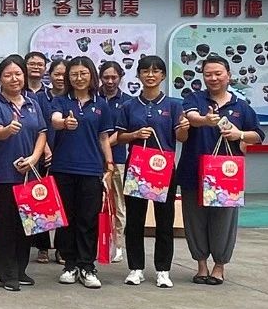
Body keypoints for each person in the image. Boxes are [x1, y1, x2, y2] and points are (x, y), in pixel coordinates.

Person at [180, 55, 264, 285]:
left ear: (228, 75)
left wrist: (240, 134)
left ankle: (219, 266)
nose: (213, 78)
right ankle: (201, 265)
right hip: (193, 171)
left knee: (224, 222)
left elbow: (258, 135)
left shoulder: (241, 106)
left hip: (226, 175)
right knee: (195, 221)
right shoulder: (194, 99)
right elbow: (191, 117)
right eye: (208, 74)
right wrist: (205, 120)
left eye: (218, 73)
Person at [114, 55, 187, 288]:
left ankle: (163, 270)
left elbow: (181, 137)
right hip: (137, 168)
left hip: (164, 169)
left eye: (155, 71)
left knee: (164, 220)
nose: (150, 75)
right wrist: (135, 135)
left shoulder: (173, 105)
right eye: (145, 71)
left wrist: (184, 127)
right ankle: (136, 268)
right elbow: (119, 137)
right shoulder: (129, 105)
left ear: (163, 75)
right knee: (135, 220)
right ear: (138, 75)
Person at [49, 57, 116, 289]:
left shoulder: (101, 104)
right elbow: (55, 121)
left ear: (91, 76)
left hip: (91, 169)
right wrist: (64, 123)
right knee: (67, 219)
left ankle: (87, 265)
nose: (79, 78)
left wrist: (109, 164)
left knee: (88, 219)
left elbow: (104, 137)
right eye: (74, 74)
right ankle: (69, 264)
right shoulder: (60, 101)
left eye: (83, 73)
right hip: (63, 168)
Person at [0, 55, 49, 291]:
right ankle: (7, 273)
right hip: (4, 173)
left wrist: (34, 158)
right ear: (0, 79)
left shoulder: (33, 102)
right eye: (8, 75)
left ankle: (21, 269)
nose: (14, 79)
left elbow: (42, 133)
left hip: (30, 173)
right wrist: (8, 129)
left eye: (18, 74)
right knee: (6, 224)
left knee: (27, 223)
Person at [36, 57, 70, 263]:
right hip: (43, 155)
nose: (60, 78)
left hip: (65, 157)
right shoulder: (41, 98)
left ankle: (61, 247)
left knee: (64, 203)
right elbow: (39, 126)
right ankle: (42, 246)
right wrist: (46, 150)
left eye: (64, 75)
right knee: (42, 201)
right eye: (56, 74)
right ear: (49, 75)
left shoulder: (72, 99)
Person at [99, 60, 133, 262]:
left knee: (118, 203)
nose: (110, 81)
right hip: (93, 160)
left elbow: (121, 133)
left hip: (117, 159)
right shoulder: (93, 98)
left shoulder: (128, 102)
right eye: (106, 77)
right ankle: (98, 242)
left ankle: (118, 244)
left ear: (121, 77)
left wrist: (103, 146)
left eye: (114, 77)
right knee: (96, 203)